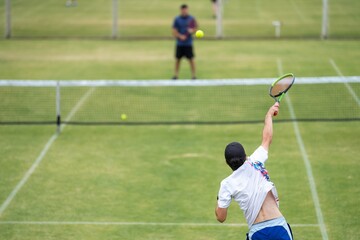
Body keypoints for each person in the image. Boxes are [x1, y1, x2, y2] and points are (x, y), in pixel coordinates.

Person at [215, 102, 294, 240]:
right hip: (279, 228)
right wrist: (269, 115)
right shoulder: (255, 161)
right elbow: (267, 138)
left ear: (227, 163)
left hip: (257, 233)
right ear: (245, 157)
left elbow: (221, 217)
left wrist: (219, 199)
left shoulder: (227, 184)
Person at [172, 4, 197, 80]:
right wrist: (180, 36)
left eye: (185, 9)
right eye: (183, 9)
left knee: (191, 60)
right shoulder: (177, 19)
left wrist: (191, 31)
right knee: (178, 60)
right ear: (181, 10)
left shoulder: (191, 18)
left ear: (187, 10)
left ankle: (193, 76)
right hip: (179, 44)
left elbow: (195, 28)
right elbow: (174, 31)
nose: (184, 11)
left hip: (188, 44)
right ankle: (175, 76)